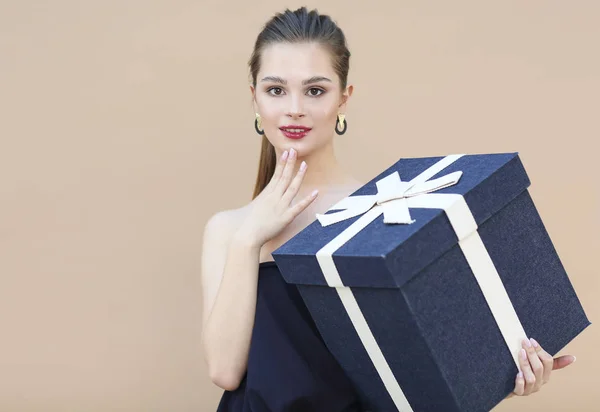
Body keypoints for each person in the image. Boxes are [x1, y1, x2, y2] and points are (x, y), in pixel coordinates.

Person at [200, 7, 577, 411]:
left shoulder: (386, 212)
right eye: (276, 90)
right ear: (254, 96)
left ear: (344, 99)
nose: (294, 108)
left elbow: (432, 351)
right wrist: (249, 240)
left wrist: (501, 372)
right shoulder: (229, 230)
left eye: (315, 90)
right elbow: (225, 371)